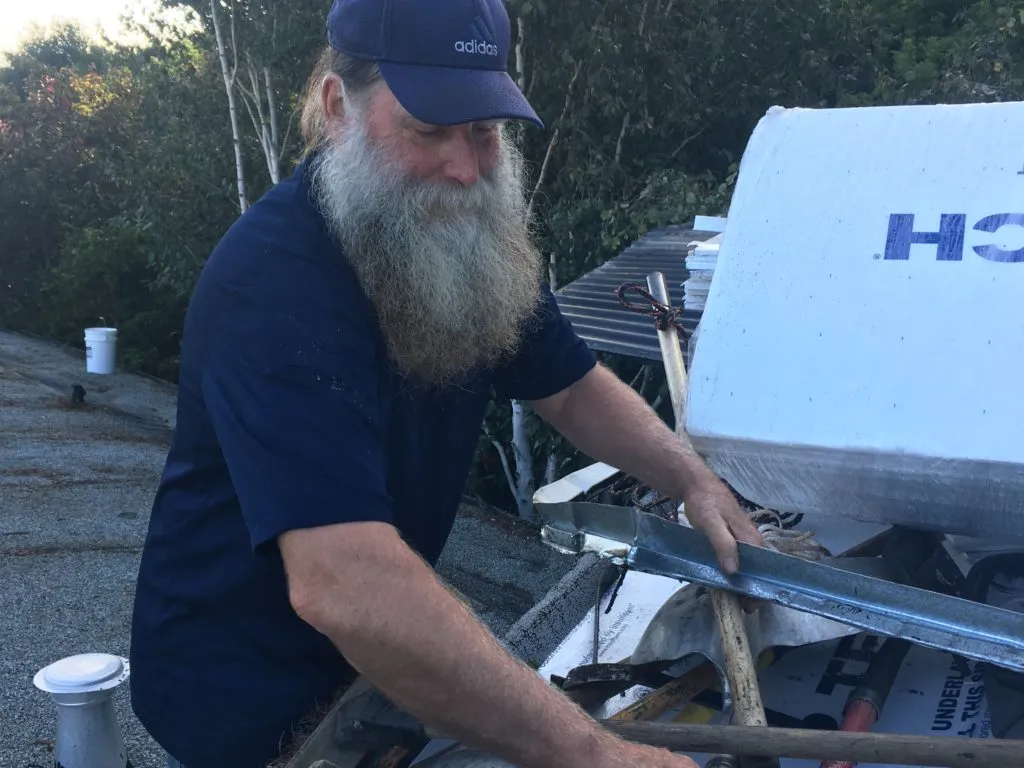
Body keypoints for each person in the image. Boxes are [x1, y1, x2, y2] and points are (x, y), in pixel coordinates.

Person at [128, 0, 765, 766]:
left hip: (378, 667)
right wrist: (596, 756)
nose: (465, 167)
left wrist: (688, 477)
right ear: (338, 108)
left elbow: (568, 387)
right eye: (429, 130)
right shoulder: (272, 286)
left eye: (484, 130)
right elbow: (345, 583)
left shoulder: (452, 235)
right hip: (246, 703)